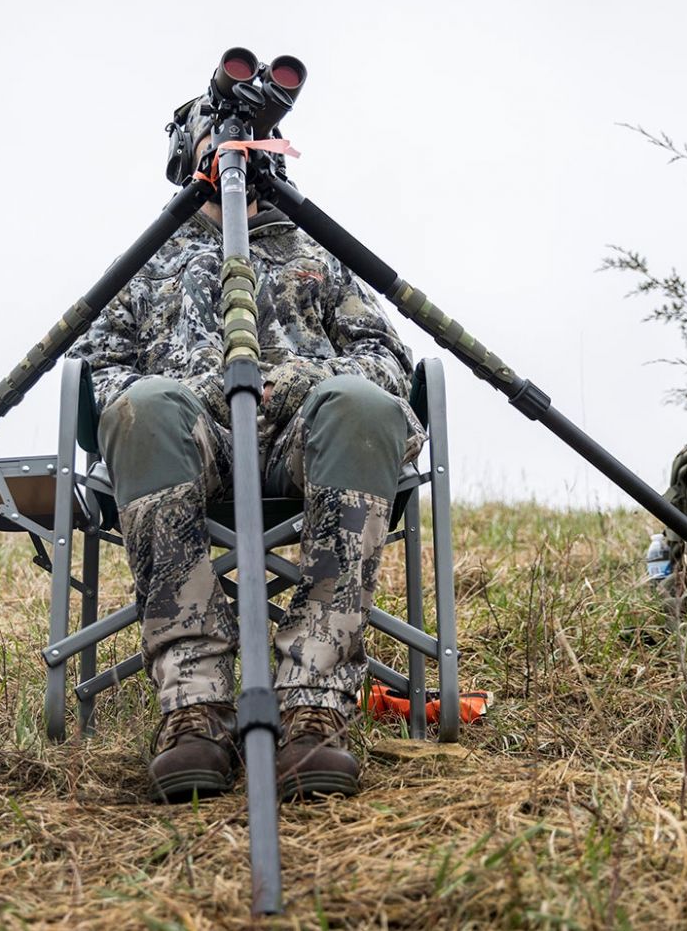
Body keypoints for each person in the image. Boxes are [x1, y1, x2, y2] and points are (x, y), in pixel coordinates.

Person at [69, 95, 424, 802]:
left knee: (362, 405)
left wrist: (300, 381)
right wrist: (190, 389)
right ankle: (194, 708)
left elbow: (388, 365)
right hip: (187, 439)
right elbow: (100, 377)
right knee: (143, 407)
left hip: (307, 440)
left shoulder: (319, 252)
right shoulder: (146, 262)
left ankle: (313, 705)